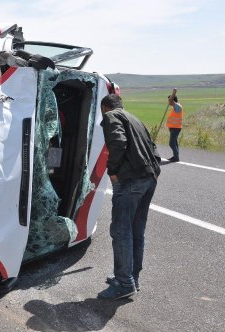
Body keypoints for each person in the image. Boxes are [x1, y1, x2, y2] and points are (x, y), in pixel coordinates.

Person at [97, 94, 161, 300]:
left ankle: (124, 283)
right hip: (149, 177)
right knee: (136, 230)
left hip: (131, 180)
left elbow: (118, 143)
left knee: (121, 231)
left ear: (104, 108)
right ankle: (132, 277)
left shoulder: (111, 116)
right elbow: (153, 148)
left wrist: (113, 170)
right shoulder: (134, 118)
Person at [166, 95, 183, 162]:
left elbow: (173, 103)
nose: (168, 102)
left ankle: (176, 157)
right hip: (173, 128)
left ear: (173, 100)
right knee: (175, 143)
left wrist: (171, 100)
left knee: (172, 143)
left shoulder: (178, 107)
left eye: (169, 100)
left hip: (176, 128)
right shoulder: (174, 107)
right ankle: (176, 156)